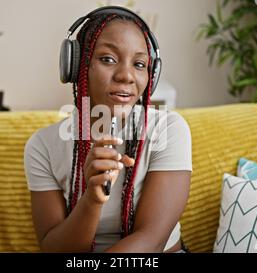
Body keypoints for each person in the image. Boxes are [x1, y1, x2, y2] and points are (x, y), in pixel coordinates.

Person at [24, 6, 192, 253]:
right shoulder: (43, 146)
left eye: (139, 64)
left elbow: (152, 240)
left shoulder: (169, 129)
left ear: (151, 75)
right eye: (108, 59)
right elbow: (54, 248)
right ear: (77, 65)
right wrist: (91, 201)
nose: (126, 76)